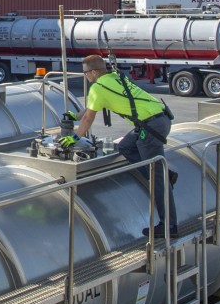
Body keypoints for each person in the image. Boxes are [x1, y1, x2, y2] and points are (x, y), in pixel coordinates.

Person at [73, 54, 176, 228]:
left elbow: (88, 119)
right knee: (125, 147)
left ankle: (169, 226)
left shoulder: (98, 87)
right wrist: (74, 116)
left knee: (157, 178)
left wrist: (74, 138)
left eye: (86, 72)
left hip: (150, 127)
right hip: (161, 118)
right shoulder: (114, 77)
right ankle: (163, 174)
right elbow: (90, 109)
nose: (85, 76)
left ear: (95, 72)